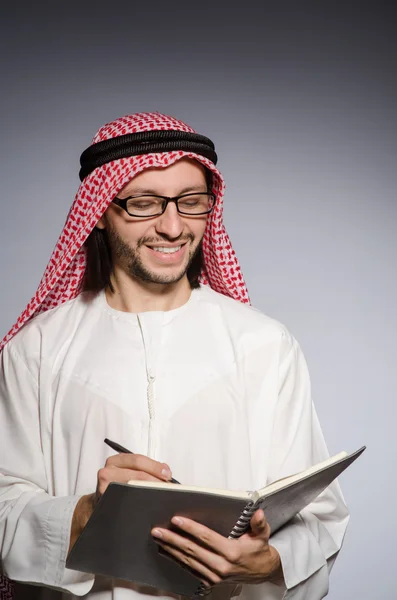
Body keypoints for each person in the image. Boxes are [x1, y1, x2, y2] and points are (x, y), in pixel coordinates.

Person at [0, 112, 349, 600]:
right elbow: (3, 503)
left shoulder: (264, 346)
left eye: (191, 202)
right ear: (100, 209)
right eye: (143, 204)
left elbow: (320, 516)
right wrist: (82, 517)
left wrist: (269, 561)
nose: (172, 226)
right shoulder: (34, 351)